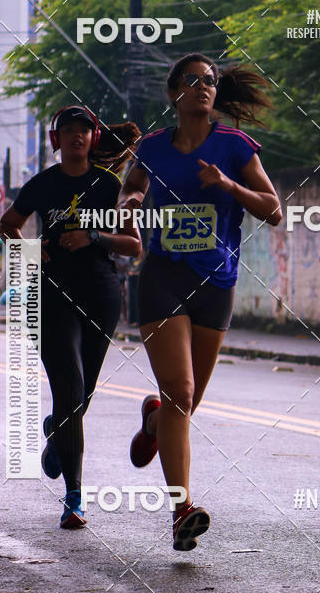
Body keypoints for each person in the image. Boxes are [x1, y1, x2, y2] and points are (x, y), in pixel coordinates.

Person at [118, 53, 282, 551]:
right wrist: (131, 202)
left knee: (182, 407)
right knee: (181, 392)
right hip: (164, 277)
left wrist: (228, 184)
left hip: (216, 283)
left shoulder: (234, 146)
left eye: (209, 80)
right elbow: (131, 187)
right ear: (174, 93)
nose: (203, 86)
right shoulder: (152, 147)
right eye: (192, 80)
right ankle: (181, 509)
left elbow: (273, 210)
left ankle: (153, 422)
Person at [0, 106, 141, 529]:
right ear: (55, 140)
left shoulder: (109, 185)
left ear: (94, 138)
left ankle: (57, 433)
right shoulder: (42, 184)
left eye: (84, 129)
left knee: (81, 395)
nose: (76, 135)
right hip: (51, 295)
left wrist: (93, 236)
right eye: (68, 130)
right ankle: (75, 497)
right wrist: (31, 248)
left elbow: (132, 245)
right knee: (70, 386)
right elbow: (8, 225)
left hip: (101, 294)